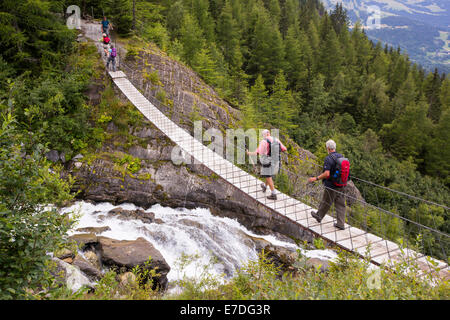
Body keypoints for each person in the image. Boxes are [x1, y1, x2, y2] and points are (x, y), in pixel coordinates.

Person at [308, 139, 347, 230]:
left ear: (328, 148)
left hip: (332, 185)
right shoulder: (341, 156)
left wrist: (316, 178)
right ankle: (341, 223)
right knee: (341, 204)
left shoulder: (328, 158)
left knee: (326, 201)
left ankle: (319, 216)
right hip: (342, 184)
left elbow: (327, 174)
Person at [247, 129, 287, 200]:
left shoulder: (264, 141)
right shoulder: (276, 139)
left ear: (264, 135)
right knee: (268, 174)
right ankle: (265, 186)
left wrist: (249, 153)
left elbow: (258, 152)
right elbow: (284, 148)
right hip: (276, 160)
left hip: (268, 160)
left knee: (268, 176)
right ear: (269, 133)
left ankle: (273, 194)